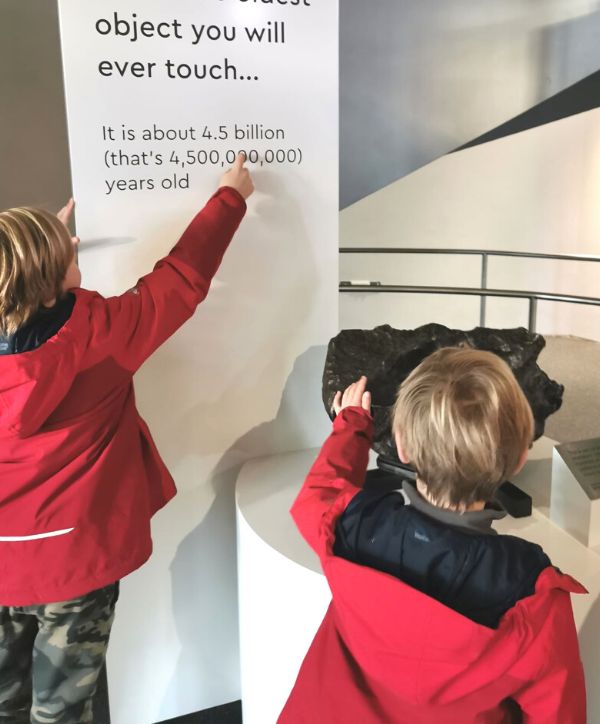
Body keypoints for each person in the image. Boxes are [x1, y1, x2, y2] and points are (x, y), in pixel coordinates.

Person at [0, 154, 253, 724]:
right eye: (66, 254)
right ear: (46, 288)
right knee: (63, 709)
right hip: (75, 565)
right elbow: (181, 280)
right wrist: (229, 198)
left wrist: (44, 246)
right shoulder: (101, 339)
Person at [280, 347, 587, 723]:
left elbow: (320, 492)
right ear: (519, 458)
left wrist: (352, 424)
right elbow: (557, 712)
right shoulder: (531, 594)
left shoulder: (353, 526)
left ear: (402, 446)